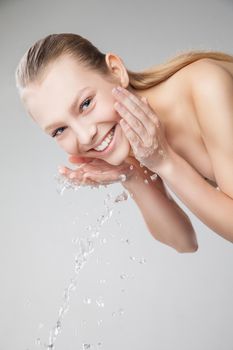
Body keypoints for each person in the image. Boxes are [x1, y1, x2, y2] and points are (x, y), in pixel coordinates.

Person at [15, 33, 233, 253]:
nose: (85, 136)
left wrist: (165, 161)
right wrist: (130, 175)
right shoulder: (135, 137)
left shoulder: (206, 86)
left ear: (116, 71)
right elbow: (183, 241)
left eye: (86, 104)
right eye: (60, 130)